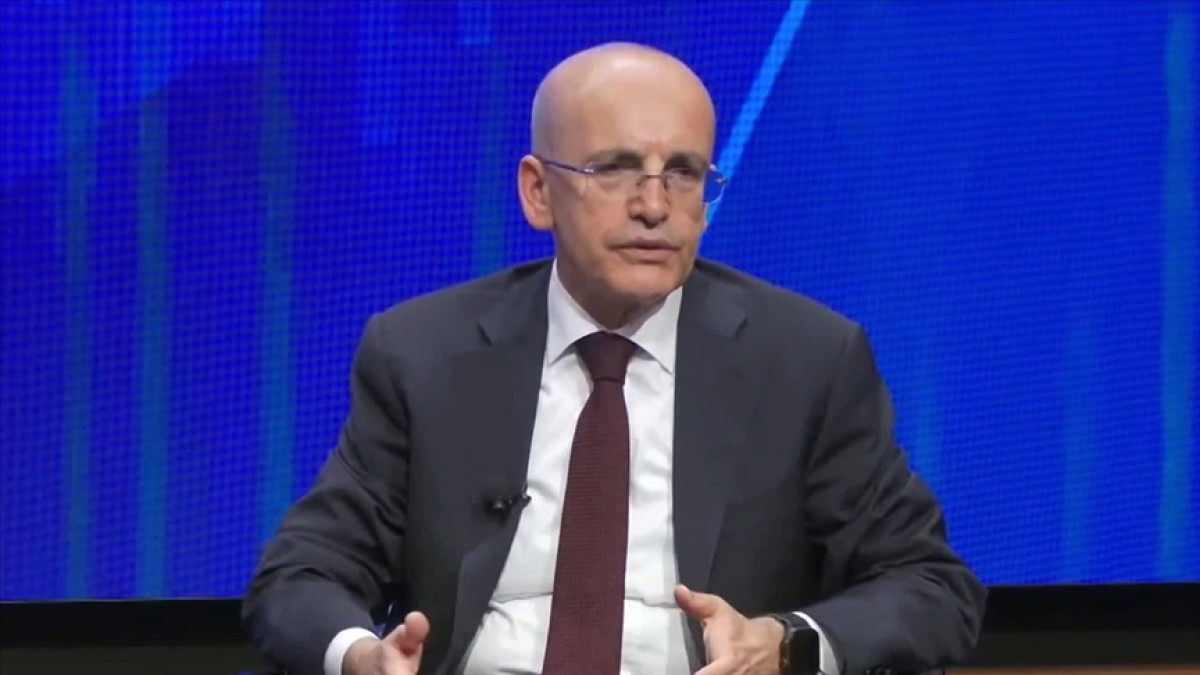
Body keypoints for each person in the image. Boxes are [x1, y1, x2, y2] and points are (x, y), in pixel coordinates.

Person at [243, 42, 986, 675]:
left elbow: (930, 585)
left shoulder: (806, 359)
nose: (654, 206)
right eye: (616, 169)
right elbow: (300, 574)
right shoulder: (423, 353)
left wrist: (784, 643)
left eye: (683, 173)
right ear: (538, 192)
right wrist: (359, 656)